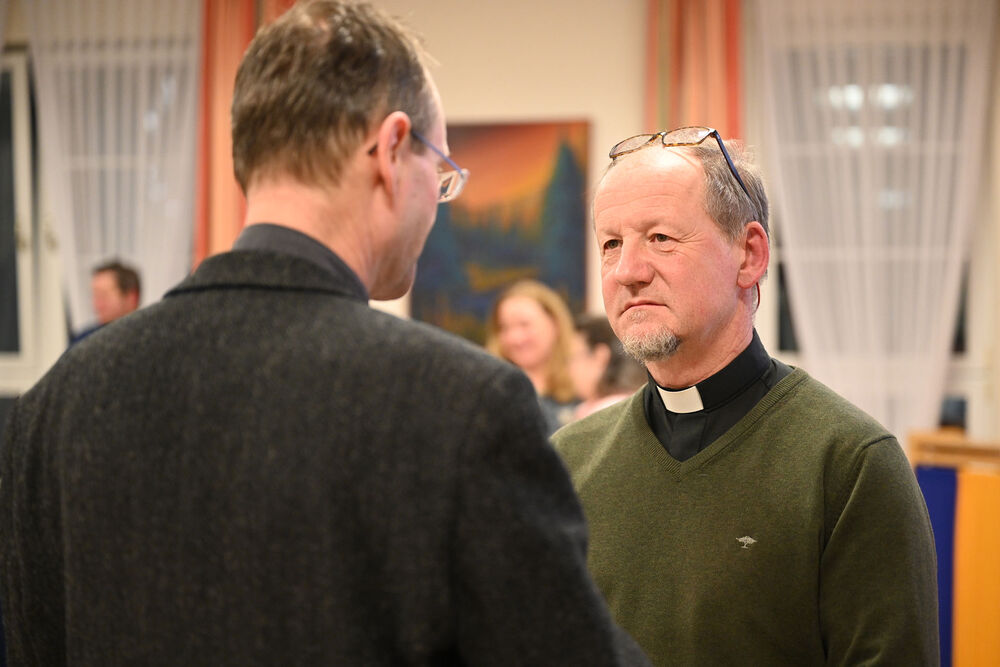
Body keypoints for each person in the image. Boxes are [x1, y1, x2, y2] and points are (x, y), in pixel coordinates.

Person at [0, 3, 650, 665]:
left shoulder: (52, 406)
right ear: (391, 149)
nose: (436, 205)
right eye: (440, 175)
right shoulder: (461, 403)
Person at [552, 126, 939, 665]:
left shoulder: (849, 463)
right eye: (611, 244)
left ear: (750, 255)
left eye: (660, 238)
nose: (628, 271)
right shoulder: (567, 462)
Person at [486, 279, 579, 435]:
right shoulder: (491, 392)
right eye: (504, 327)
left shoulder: (584, 386)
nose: (515, 338)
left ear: (555, 323)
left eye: (524, 324)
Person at [569, 313, 646, 420]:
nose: (569, 368)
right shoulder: (587, 408)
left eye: (572, 357)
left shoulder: (609, 412)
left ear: (600, 357)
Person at [70, 259, 141, 343]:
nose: (97, 305)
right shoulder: (82, 341)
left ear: (131, 298)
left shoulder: (149, 337)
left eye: (104, 295)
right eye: (95, 296)